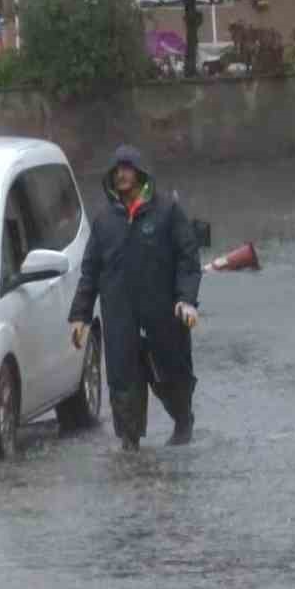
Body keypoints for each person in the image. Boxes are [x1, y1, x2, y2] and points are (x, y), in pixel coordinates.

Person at [69, 145, 202, 450]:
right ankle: (130, 445)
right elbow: (90, 271)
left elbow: (188, 258)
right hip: (120, 319)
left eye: (127, 168)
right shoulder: (104, 222)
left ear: (140, 174)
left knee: (171, 375)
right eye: (117, 170)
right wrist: (80, 316)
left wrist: (186, 300)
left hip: (163, 317)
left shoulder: (167, 211)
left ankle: (183, 423)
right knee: (123, 383)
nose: (121, 174)